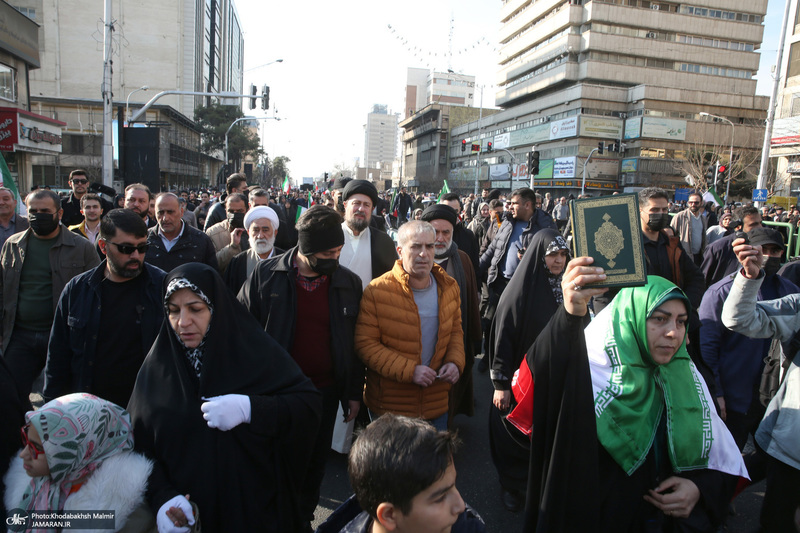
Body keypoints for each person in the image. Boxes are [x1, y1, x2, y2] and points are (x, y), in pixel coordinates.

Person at [512, 265, 747, 532]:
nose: (673, 332)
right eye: (660, 318)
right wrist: (569, 315)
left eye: (681, 321)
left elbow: (719, 460)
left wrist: (698, 489)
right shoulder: (593, 380)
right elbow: (544, 381)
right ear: (630, 320)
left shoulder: (690, 381)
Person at [128, 263, 322, 532]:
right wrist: (162, 499)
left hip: (254, 514)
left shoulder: (254, 354)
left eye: (195, 309)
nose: (183, 322)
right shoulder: (156, 372)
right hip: (189, 518)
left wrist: (251, 409)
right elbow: (138, 447)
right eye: (173, 310)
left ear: (215, 308)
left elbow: (307, 405)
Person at [44, 209, 166, 408]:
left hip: (145, 407)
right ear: (103, 246)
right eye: (126, 248)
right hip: (87, 409)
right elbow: (58, 355)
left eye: (143, 248)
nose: (136, 255)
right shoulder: (78, 290)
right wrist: (52, 407)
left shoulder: (162, 287)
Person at [486, 229, 569, 512]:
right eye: (552, 255)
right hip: (519, 381)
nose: (558, 261)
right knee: (513, 435)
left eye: (563, 255)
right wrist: (501, 384)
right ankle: (511, 485)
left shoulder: (566, 287)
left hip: (552, 378)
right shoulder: (519, 291)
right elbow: (503, 338)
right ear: (538, 256)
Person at [722, 237, 800, 532]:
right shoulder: (797, 306)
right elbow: (739, 319)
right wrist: (749, 278)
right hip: (792, 451)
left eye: (775, 250)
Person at [355, 221, 464, 430]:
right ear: (400, 251)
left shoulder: (449, 287)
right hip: (390, 409)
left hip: (435, 405)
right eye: (415, 246)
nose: (424, 254)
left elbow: (455, 332)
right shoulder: (377, 290)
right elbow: (365, 345)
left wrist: (454, 362)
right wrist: (410, 371)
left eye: (429, 246)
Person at [1, 189, 101, 397]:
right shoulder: (12, 244)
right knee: (10, 395)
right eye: (33, 211)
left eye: (45, 211)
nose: (38, 216)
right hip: (19, 335)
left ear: (59, 213)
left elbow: (97, 292)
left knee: (57, 397)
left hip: (61, 336)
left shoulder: (81, 247)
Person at [3, 393, 153, 531]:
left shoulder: (125, 507)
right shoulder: (31, 485)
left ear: (75, 452)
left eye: (37, 448)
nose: (23, 454)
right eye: (26, 440)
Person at [316, 413, 486, 533]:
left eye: (453, 485)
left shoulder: (467, 527)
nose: (460, 505)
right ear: (389, 515)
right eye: (440, 497)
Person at [420, 205, 481, 425]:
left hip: (454, 339)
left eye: (446, 232)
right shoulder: (413, 257)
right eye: (435, 232)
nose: (440, 238)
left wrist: (474, 339)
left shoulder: (462, 260)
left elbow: (471, 301)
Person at [338, 179, 398, 291]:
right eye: (356, 203)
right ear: (345, 205)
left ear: (372, 209)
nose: (361, 209)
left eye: (366, 205)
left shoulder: (383, 242)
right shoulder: (330, 237)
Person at [144, 193, 218, 273]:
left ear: (181, 212)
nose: (165, 218)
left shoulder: (201, 241)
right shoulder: (145, 239)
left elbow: (211, 275)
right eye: (160, 213)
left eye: (170, 212)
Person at [701, 205, 763, 288]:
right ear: (737, 227)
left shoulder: (763, 248)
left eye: (760, 223)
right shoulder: (717, 249)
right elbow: (703, 280)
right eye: (753, 224)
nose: (760, 228)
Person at [225, 205, 282, 295]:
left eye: (265, 230)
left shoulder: (285, 260)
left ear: (275, 232)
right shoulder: (238, 263)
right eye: (256, 230)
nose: (260, 236)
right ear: (248, 232)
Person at [205, 192, 250, 272]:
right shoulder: (213, 233)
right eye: (231, 211)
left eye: (239, 211)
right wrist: (232, 246)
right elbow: (212, 264)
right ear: (226, 211)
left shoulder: (256, 230)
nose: (235, 215)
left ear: (247, 210)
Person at [671, 192, 707, 265]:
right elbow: (671, 236)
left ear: (701, 203)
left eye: (696, 203)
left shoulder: (703, 218)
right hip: (684, 256)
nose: (693, 204)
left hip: (699, 257)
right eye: (691, 202)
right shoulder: (680, 216)